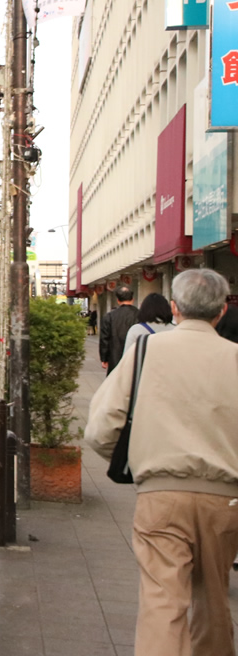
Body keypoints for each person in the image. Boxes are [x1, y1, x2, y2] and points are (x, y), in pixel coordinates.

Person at [86, 269, 238, 656]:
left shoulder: (148, 351)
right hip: (225, 499)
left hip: (161, 493)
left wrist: (137, 462)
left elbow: (102, 428)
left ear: (175, 308)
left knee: (163, 601)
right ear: (221, 311)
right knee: (214, 601)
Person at [99, 285, 139, 374]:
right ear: (133, 299)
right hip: (135, 357)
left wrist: (104, 358)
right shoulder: (140, 315)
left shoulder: (109, 316)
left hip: (114, 356)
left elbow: (104, 339)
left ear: (118, 300)